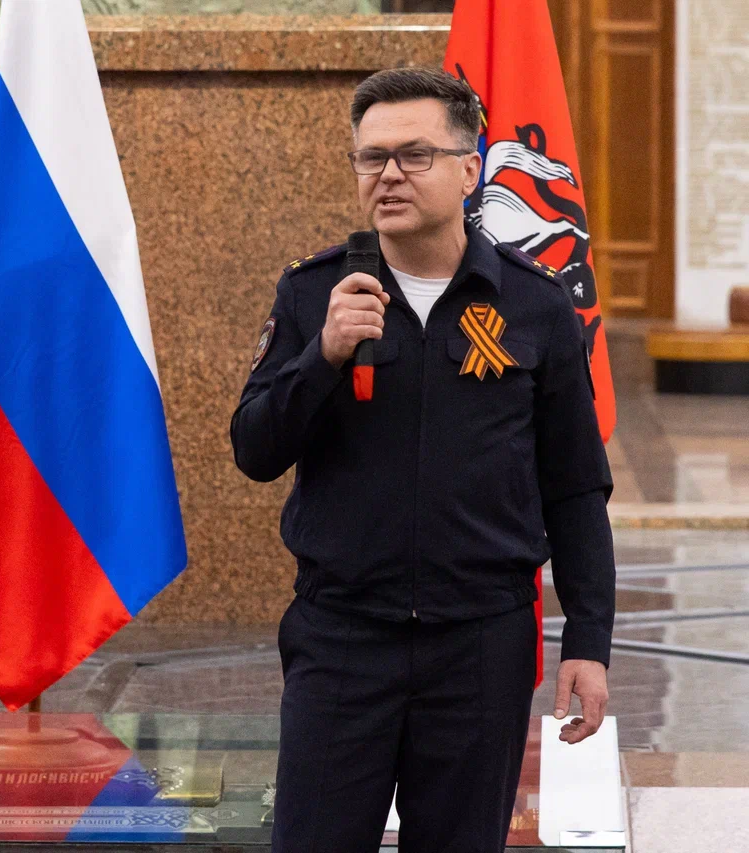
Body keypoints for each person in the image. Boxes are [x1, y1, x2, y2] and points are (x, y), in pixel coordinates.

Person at [230, 68, 615, 853]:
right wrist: (323, 355)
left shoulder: (534, 303)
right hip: (342, 640)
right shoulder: (314, 293)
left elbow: (576, 486)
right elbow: (254, 449)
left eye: (414, 154)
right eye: (371, 158)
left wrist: (589, 638)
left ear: (470, 170)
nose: (389, 175)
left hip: (480, 645)